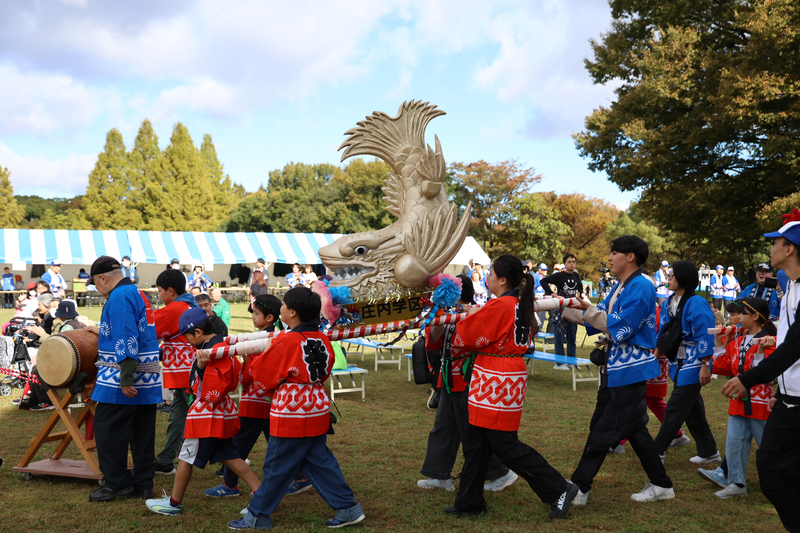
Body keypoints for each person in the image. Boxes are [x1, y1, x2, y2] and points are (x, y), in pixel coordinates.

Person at [446, 255, 577, 520]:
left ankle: (559, 489)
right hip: (499, 374)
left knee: (504, 445)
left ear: (503, 280)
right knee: (475, 441)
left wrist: (470, 317)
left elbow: (467, 339)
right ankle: (469, 500)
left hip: (496, 377)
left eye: (491, 273)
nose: (487, 277)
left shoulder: (501, 305)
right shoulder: (519, 303)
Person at [229, 286, 365, 530]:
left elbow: (263, 374)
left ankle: (257, 515)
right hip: (316, 404)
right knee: (318, 460)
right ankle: (348, 508)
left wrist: (255, 361)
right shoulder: (322, 339)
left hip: (291, 408)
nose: (281, 308)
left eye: (283, 305)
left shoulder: (286, 340)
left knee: (276, 465)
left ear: (291, 312)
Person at [566, 235, 674, 504]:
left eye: (614, 252)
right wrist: (566, 307)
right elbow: (599, 316)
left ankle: (580, 487)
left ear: (630, 256)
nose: (610, 257)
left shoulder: (641, 286)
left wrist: (588, 311)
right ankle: (661, 484)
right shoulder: (622, 286)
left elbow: (622, 325)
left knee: (606, 426)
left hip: (630, 368)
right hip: (616, 368)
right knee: (632, 427)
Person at [721, 209, 800, 532]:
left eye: (776, 242)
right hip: (788, 399)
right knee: (770, 471)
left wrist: (749, 378)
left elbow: (796, 345)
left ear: (790, 249)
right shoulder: (791, 286)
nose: (771, 249)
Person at [145, 307, 260, 516]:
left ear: (198, 332)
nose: (186, 341)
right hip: (221, 411)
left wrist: (200, 367)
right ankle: (260, 493)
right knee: (230, 455)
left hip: (207, 414)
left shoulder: (211, 352)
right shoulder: (220, 345)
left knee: (186, 457)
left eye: (187, 337)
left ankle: (173, 503)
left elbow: (207, 391)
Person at [417, 275, 518, 494]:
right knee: (443, 427)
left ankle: (500, 473)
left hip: (466, 377)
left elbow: (473, 339)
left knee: (469, 430)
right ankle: (439, 474)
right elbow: (433, 340)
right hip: (448, 376)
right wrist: (439, 317)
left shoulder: (476, 311)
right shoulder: (446, 312)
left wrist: (461, 316)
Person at [84, 255, 161, 502]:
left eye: (96, 284)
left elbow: (126, 336)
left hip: (123, 379)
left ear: (102, 278)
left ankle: (117, 483)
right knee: (142, 433)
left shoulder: (118, 297)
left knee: (107, 429)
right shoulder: (137, 292)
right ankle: (143, 483)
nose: (97, 289)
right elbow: (133, 328)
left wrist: (126, 377)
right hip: (147, 376)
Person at [205, 294, 283, 498]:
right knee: (279, 445)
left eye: (256, 313)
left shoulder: (260, 341)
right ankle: (301, 476)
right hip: (271, 402)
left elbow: (249, 376)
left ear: (269, 318)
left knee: (238, 445)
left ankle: (230, 485)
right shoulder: (278, 337)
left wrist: (246, 360)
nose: (252, 317)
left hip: (255, 403)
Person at [707, 297, 777, 498]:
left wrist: (761, 352)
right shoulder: (737, 341)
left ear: (755, 316)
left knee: (769, 445)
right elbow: (722, 367)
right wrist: (720, 342)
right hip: (738, 400)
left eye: (741, 313)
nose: (735, 317)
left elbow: (768, 371)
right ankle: (737, 483)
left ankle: (784, 481)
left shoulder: (770, 341)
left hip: (761, 402)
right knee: (735, 442)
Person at [652, 261, 719, 464]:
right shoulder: (668, 301)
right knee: (692, 409)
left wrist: (705, 364)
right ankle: (709, 451)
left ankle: (657, 451)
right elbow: (664, 331)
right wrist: (656, 355)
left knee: (676, 406)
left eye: (672, 275)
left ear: (683, 278)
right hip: (678, 361)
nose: (668, 279)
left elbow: (705, 333)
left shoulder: (697, 303)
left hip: (695, 360)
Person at [153, 268, 200, 476]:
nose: (160, 296)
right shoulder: (189, 304)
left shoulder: (175, 308)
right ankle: (165, 460)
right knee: (178, 417)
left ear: (170, 291)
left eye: (160, 291)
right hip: (186, 371)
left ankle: (234, 455)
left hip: (185, 372)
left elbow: (148, 328)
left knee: (198, 417)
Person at [541, 253, 583, 369]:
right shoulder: (559, 276)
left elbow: (579, 287)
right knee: (559, 336)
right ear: (564, 264)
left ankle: (571, 362)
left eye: (574, 262)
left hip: (573, 309)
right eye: (569, 262)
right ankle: (559, 363)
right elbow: (543, 281)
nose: (572, 264)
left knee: (572, 337)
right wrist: (552, 293)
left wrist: (580, 293)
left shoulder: (576, 276)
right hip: (561, 310)